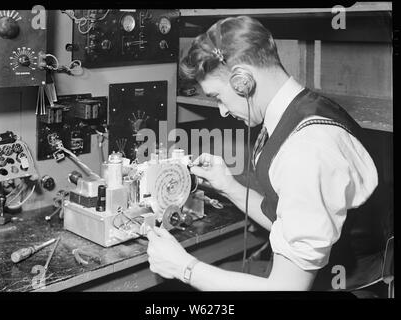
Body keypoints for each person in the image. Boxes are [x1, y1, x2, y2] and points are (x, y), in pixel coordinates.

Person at [146, 16, 379, 291]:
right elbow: (286, 222)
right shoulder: (301, 108)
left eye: (218, 97)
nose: (221, 110)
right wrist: (229, 186)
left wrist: (184, 268)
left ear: (243, 80)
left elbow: (287, 289)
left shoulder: (305, 150)